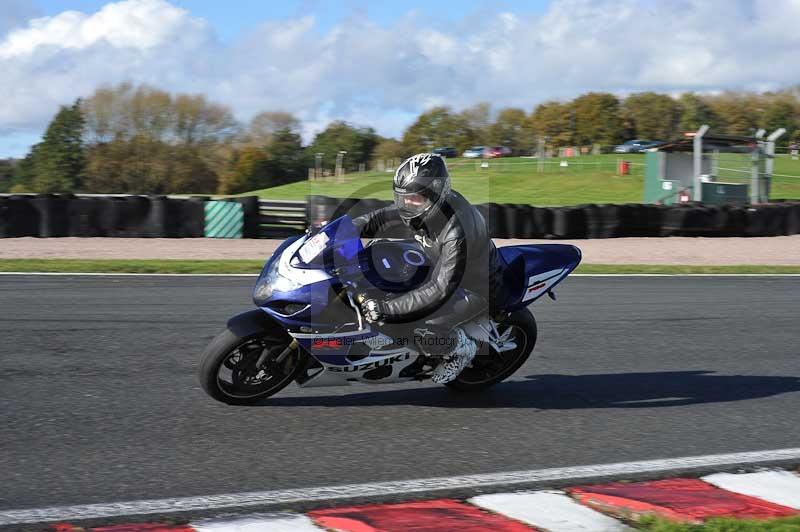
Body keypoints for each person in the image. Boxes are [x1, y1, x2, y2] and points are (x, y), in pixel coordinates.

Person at [353, 153, 505, 384]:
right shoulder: (422, 206)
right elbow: (377, 219)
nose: (407, 203)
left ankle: (458, 349)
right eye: (404, 197)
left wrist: (386, 309)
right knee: (379, 264)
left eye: (415, 198)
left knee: (421, 327)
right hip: (437, 263)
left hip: (472, 286)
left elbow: (441, 289)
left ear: (436, 194)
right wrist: (337, 233)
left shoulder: (456, 230)